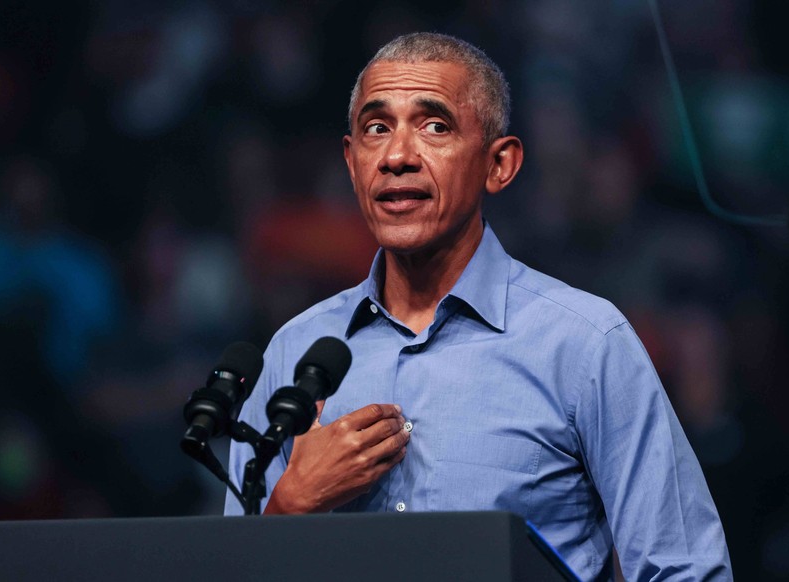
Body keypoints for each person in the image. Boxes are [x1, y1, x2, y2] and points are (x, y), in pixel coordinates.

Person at [226, 32, 732, 580]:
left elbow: (684, 569)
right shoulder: (294, 352)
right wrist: (290, 505)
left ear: (500, 165)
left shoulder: (585, 344)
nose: (396, 156)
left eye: (435, 126)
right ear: (351, 162)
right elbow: (232, 573)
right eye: (376, 128)